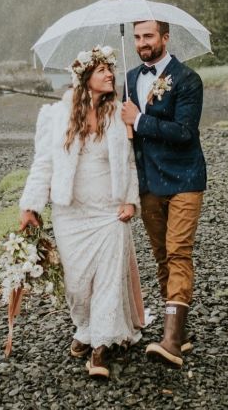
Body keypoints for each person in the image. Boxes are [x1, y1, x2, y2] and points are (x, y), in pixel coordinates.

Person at [19, 45, 145, 379]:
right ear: (85, 77)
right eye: (101, 69)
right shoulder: (56, 115)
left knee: (107, 278)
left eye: (110, 69)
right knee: (77, 283)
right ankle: (85, 329)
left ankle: (100, 348)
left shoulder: (119, 113)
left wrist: (130, 200)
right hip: (70, 212)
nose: (109, 74)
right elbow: (43, 163)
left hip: (109, 209)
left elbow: (129, 162)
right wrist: (30, 205)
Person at [121, 19, 206, 367]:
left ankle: (170, 340)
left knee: (178, 251)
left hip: (185, 178)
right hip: (148, 183)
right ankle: (180, 331)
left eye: (149, 36)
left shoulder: (187, 79)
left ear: (165, 38)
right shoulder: (127, 80)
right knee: (160, 256)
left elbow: (184, 131)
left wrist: (139, 120)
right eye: (138, 37)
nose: (142, 42)